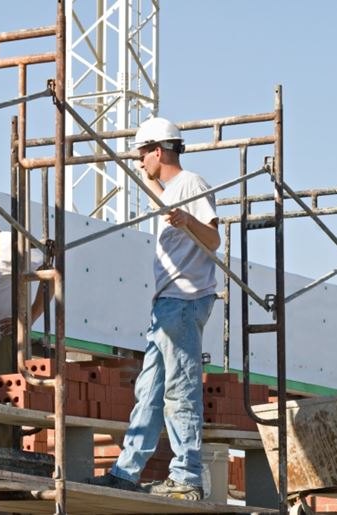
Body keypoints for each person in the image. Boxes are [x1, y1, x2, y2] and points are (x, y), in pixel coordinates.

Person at [89, 118, 220, 500]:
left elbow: (213, 239)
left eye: (143, 153)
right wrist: (145, 179)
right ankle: (126, 471)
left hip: (183, 299)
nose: (141, 160)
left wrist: (188, 219)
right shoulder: (173, 188)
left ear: (158, 151)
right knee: (149, 391)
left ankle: (187, 477)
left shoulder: (191, 184)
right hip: (168, 303)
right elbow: (162, 201)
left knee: (180, 391)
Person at [0, 197, 47, 448]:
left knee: (4, 401)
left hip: (5, 337)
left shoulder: (7, 243)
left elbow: (50, 270)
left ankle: (10, 461)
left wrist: (27, 319)